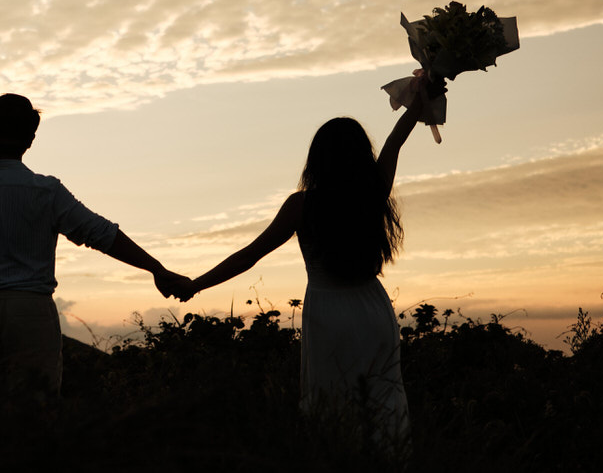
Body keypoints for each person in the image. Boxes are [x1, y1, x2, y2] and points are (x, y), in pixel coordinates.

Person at [172, 83, 437, 448]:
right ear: (361, 155)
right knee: (383, 402)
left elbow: (249, 256)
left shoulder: (302, 206)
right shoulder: (372, 191)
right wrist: (429, 85)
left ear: (318, 159)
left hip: (328, 314)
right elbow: (396, 139)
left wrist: (195, 284)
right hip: (372, 310)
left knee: (332, 407)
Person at [0, 93, 187, 422]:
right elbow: (101, 233)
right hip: (31, 312)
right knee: (36, 416)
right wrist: (157, 268)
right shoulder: (46, 192)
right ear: (31, 139)